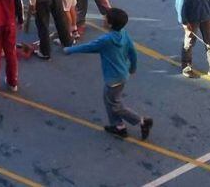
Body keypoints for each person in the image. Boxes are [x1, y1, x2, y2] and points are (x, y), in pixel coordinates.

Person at [65, 8, 152, 140]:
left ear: (110, 24)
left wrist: (69, 50)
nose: (103, 19)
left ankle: (142, 121)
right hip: (122, 74)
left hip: (113, 79)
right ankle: (118, 126)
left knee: (115, 105)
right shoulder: (124, 34)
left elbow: (88, 47)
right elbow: (132, 52)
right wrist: (133, 67)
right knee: (109, 101)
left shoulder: (106, 40)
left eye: (106, 18)